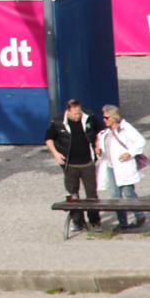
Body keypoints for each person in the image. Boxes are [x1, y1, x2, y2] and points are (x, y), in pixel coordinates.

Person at [44, 98, 105, 233]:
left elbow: (100, 132)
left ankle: (95, 222)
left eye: (79, 113)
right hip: (70, 164)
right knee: (73, 194)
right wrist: (55, 153)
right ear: (68, 111)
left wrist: (98, 145)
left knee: (91, 194)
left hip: (87, 162)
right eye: (75, 114)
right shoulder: (58, 122)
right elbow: (48, 138)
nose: (78, 116)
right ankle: (78, 222)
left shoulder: (89, 118)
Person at [98, 104, 147, 231]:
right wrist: (99, 151)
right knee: (115, 196)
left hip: (124, 166)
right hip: (111, 166)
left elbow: (140, 141)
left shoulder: (126, 128)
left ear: (114, 117)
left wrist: (129, 153)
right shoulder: (106, 132)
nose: (104, 120)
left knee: (129, 193)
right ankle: (122, 222)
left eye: (107, 117)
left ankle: (139, 216)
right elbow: (106, 148)